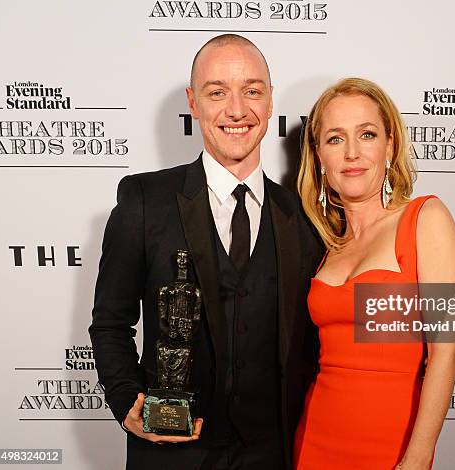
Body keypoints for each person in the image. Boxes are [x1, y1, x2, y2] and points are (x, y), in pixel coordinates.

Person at [89, 34, 322, 470]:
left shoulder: (304, 217)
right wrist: (127, 405)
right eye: (218, 93)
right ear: (193, 103)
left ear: (271, 102)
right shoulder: (144, 200)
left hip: (274, 453)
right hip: (170, 453)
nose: (237, 110)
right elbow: (109, 323)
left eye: (252, 91)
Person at [293, 78, 455, 469]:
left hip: (391, 444)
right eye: (335, 139)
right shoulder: (326, 244)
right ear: (319, 155)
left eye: (366, 134)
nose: (352, 153)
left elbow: (446, 351)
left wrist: (418, 456)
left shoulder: (425, 218)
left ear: (389, 145)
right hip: (314, 438)